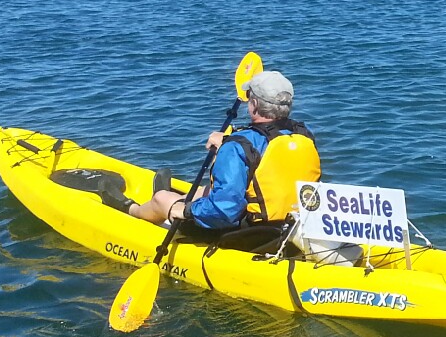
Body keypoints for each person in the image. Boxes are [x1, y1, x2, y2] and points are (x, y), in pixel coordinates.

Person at [127, 70, 320, 237]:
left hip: (246, 233)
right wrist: (229, 143)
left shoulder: (238, 145)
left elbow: (225, 209)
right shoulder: (303, 134)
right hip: (289, 225)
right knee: (206, 191)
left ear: (253, 103)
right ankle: (181, 199)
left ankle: (131, 211)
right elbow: (267, 159)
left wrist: (185, 211)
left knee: (161, 199)